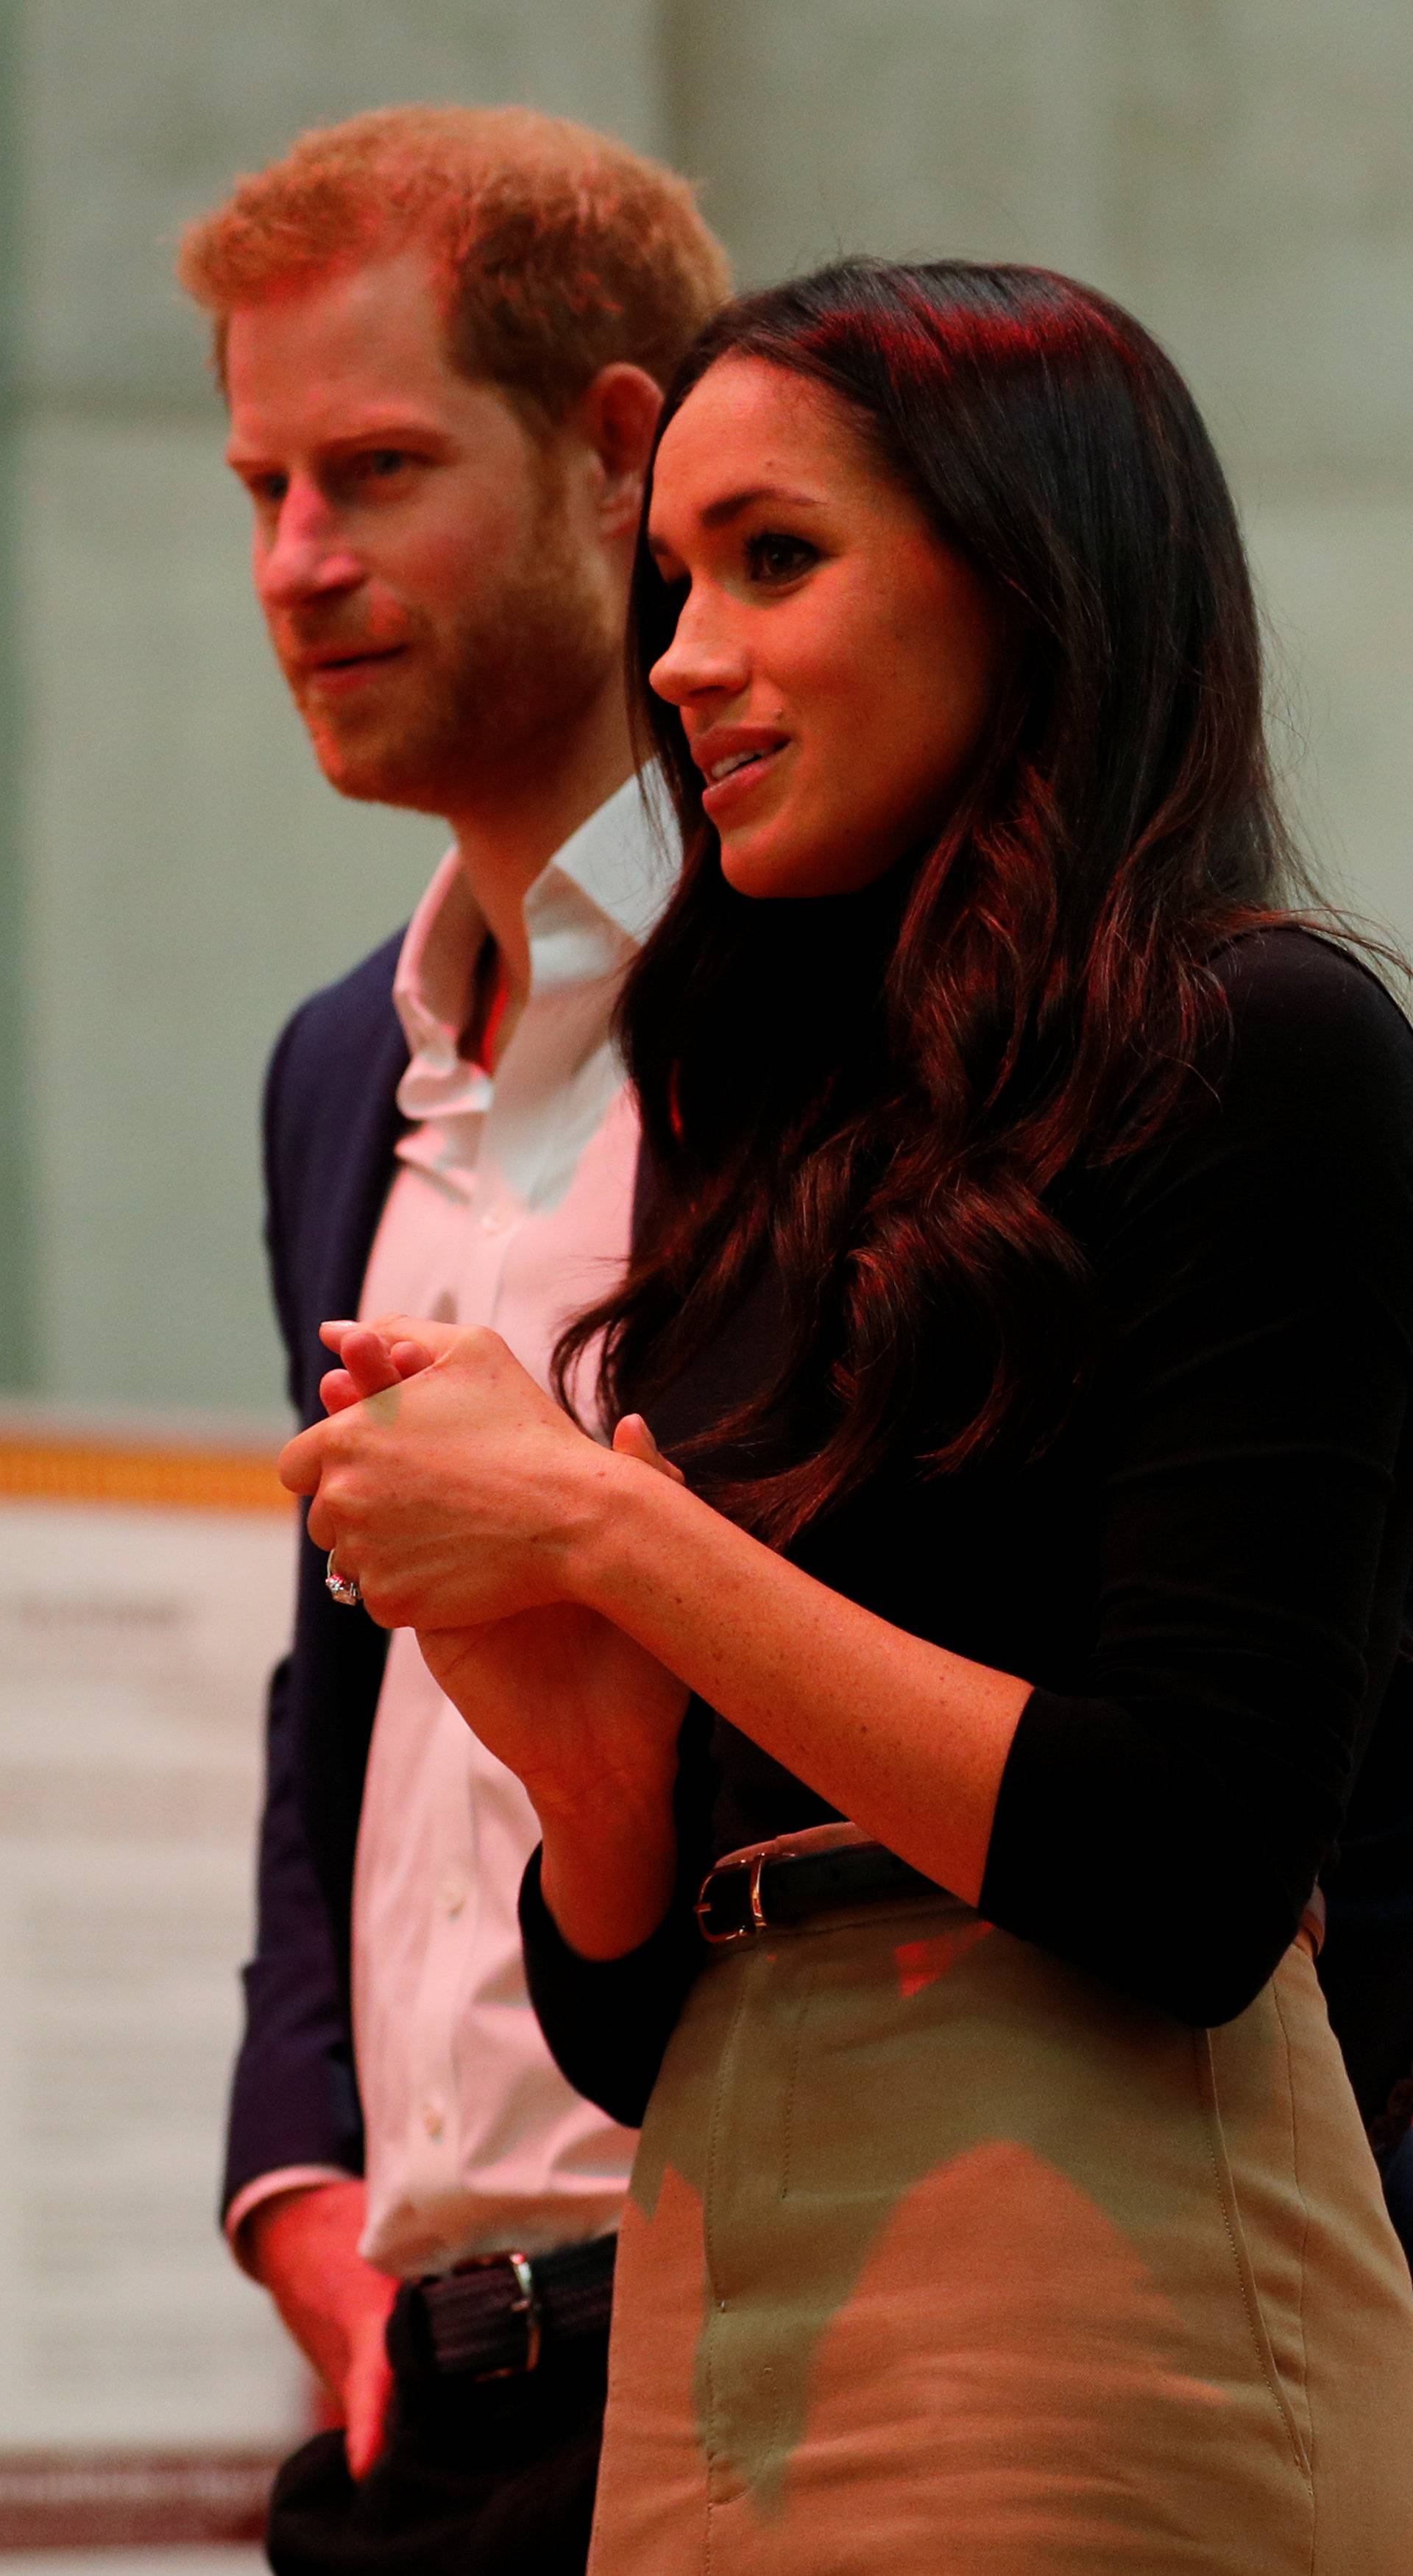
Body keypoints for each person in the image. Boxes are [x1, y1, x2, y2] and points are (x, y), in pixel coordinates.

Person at [283, 259, 1413, 2572]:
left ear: (1031, 580)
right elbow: (626, 2013)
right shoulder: (776, 1135)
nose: (683, 653)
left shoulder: (1270, 1044)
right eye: (675, 578)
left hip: (1093, 2243)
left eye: (774, 561)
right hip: (723, 2217)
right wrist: (578, 1737)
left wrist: (623, 1545)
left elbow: (1193, 1864)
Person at [176, 105, 728, 2576]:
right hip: (435, 2366)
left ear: (622, 452)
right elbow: (344, 1693)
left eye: (376, 472)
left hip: (783, 2318)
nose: (297, 567)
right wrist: (292, 2168)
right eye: (264, 487)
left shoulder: (865, 1001)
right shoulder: (335, 1059)